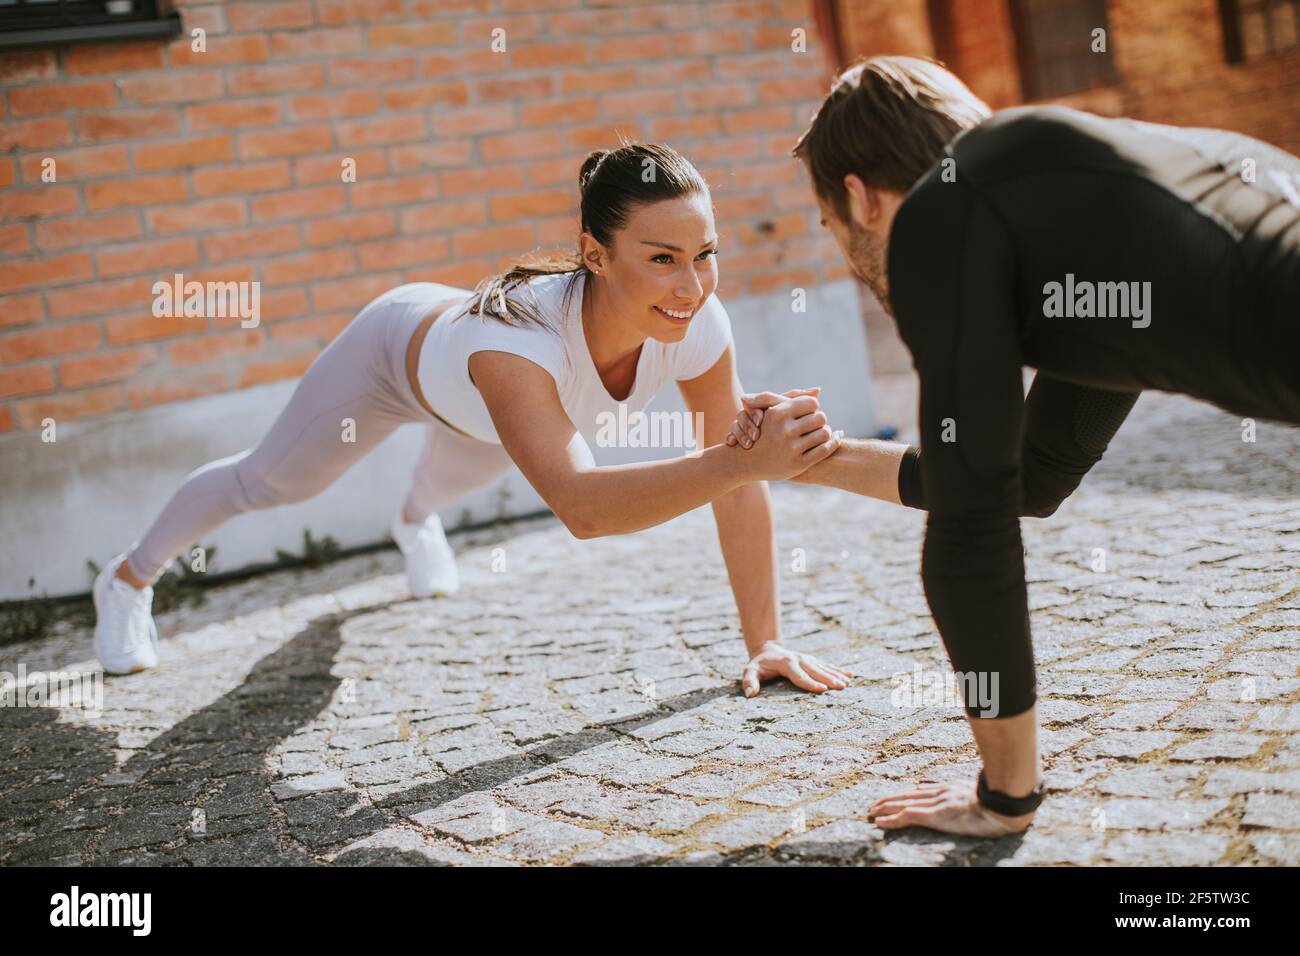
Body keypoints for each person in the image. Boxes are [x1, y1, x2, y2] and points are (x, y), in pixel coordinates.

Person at [726, 55, 1300, 836]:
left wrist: (1005, 796)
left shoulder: (941, 216)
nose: (843, 255)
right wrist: (815, 456)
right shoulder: (1071, 200)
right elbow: (1029, 475)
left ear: (860, 198)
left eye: (828, 226)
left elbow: (971, 534)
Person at [93, 142, 853, 703]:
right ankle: (128, 580)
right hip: (393, 359)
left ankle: (414, 520)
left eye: (705, 254)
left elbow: (734, 474)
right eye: (661, 258)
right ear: (594, 252)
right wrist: (744, 460)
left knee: (460, 476)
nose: (691, 285)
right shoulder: (514, 346)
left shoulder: (699, 319)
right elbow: (584, 510)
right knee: (272, 483)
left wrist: (768, 642)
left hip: (482, 412)